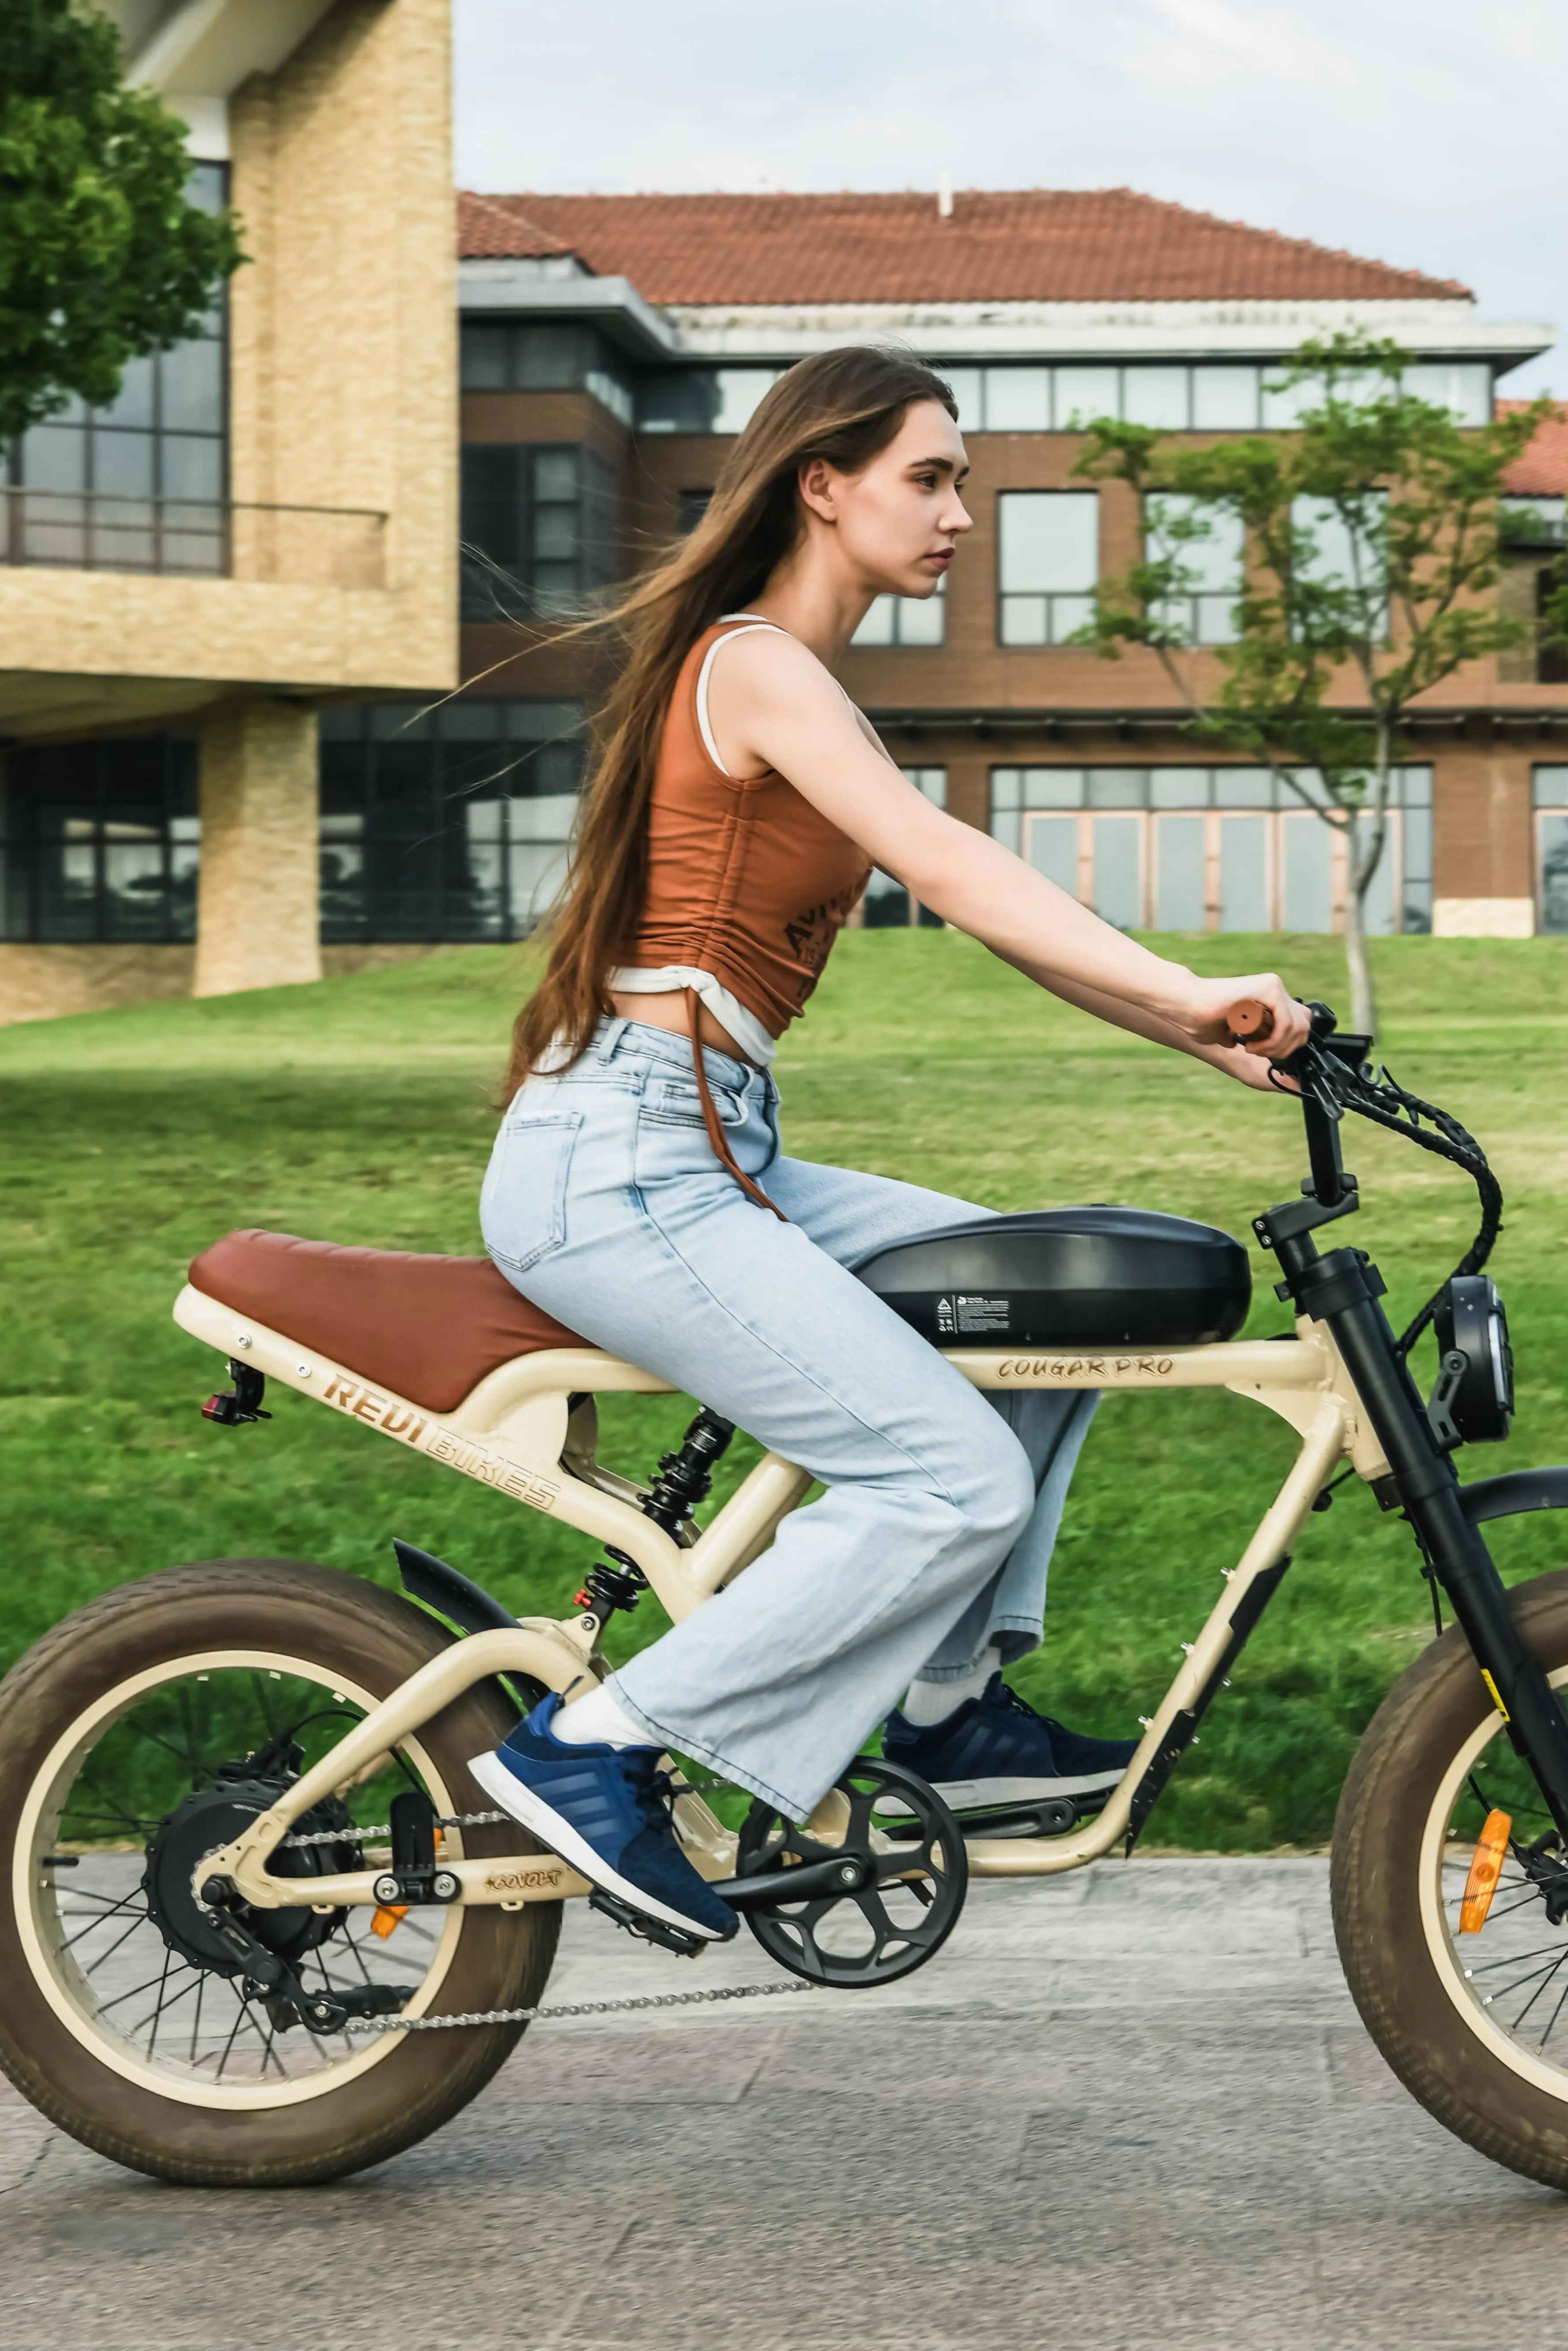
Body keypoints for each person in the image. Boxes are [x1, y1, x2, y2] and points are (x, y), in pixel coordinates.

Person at [470, 346, 1310, 1942]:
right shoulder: (752, 661)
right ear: (822, 484)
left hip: (711, 1144)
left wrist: (1197, 1034)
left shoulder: (793, 681)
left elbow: (987, 915)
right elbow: (946, 858)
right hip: (621, 1162)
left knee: (1057, 1297)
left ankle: (942, 1708)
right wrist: (1185, 983)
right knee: (942, 1475)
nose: (960, 514)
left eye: (961, 483)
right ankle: (601, 1748)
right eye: (929, 478)